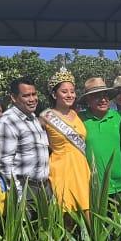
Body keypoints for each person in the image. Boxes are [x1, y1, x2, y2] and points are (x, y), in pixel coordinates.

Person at [41, 69, 92, 214]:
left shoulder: (76, 114)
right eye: (64, 92)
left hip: (81, 167)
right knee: (66, 213)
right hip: (61, 169)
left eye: (72, 91)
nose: (70, 95)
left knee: (88, 212)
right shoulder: (45, 117)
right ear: (54, 94)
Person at [0, 76, 51, 196]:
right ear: (14, 98)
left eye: (34, 94)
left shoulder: (33, 118)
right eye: (26, 96)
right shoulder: (7, 121)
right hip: (25, 190)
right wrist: (19, 194)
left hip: (44, 188)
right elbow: (5, 162)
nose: (32, 99)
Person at [79, 76, 121, 200]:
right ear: (88, 100)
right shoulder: (79, 120)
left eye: (105, 95)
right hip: (93, 187)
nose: (103, 100)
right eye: (97, 96)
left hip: (120, 186)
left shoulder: (120, 118)